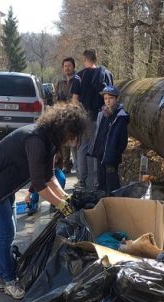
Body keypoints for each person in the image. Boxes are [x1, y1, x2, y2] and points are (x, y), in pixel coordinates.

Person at [0, 104, 89, 300]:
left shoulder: (50, 141)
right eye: (73, 135)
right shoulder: (36, 140)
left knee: (8, 229)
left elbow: (49, 177)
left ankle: (2, 271)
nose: (73, 141)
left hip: (3, 183)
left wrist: (65, 197)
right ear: (64, 128)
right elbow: (38, 184)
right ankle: (8, 281)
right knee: (6, 231)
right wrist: (61, 205)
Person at [74, 49, 114, 191]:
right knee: (99, 148)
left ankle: (83, 180)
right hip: (103, 117)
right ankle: (98, 180)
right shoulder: (107, 74)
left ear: (85, 58)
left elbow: (75, 100)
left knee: (83, 148)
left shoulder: (79, 76)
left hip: (86, 117)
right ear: (96, 59)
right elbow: (112, 95)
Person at [90, 85, 129, 194]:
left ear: (116, 99)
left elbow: (123, 140)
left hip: (111, 156)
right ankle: (102, 203)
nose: (108, 101)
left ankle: (114, 204)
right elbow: (98, 133)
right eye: (105, 98)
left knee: (112, 182)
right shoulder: (101, 114)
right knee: (101, 181)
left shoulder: (120, 117)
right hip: (100, 154)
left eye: (111, 98)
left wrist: (116, 152)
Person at [54, 57, 81, 173]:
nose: (67, 68)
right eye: (65, 66)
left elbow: (77, 99)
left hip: (74, 115)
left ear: (73, 67)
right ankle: (66, 165)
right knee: (63, 141)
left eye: (69, 66)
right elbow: (56, 97)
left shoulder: (77, 80)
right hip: (62, 115)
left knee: (74, 142)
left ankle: (78, 166)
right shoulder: (60, 82)